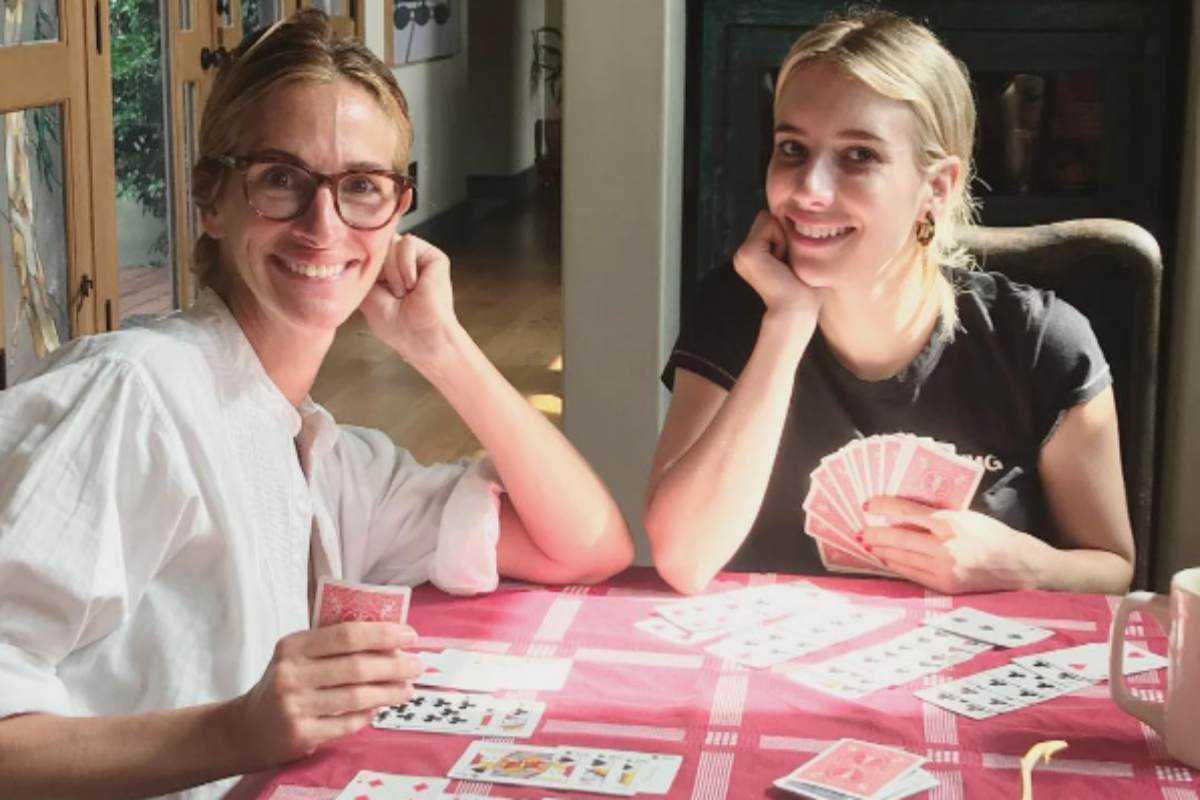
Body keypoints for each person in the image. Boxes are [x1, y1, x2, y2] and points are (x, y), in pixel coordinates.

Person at [0, 10, 633, 798]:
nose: (323, 225)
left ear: (397, 211)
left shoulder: (325, 460)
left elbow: (585, 544)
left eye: (361, 187)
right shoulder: (132, 395)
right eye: (280, 179)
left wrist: (443, 348)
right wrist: (237, 729)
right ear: (210, 200)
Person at [644, 12, 1135, 597]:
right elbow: (682, 558)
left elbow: (1112, 566)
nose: (808, 191)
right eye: (792, 149)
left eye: (859, 156)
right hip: (774, 672)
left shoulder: (1041, 342)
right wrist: (787, 324)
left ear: (939, 187)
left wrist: (1025, 565)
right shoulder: (739, 309)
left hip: (970, 671)